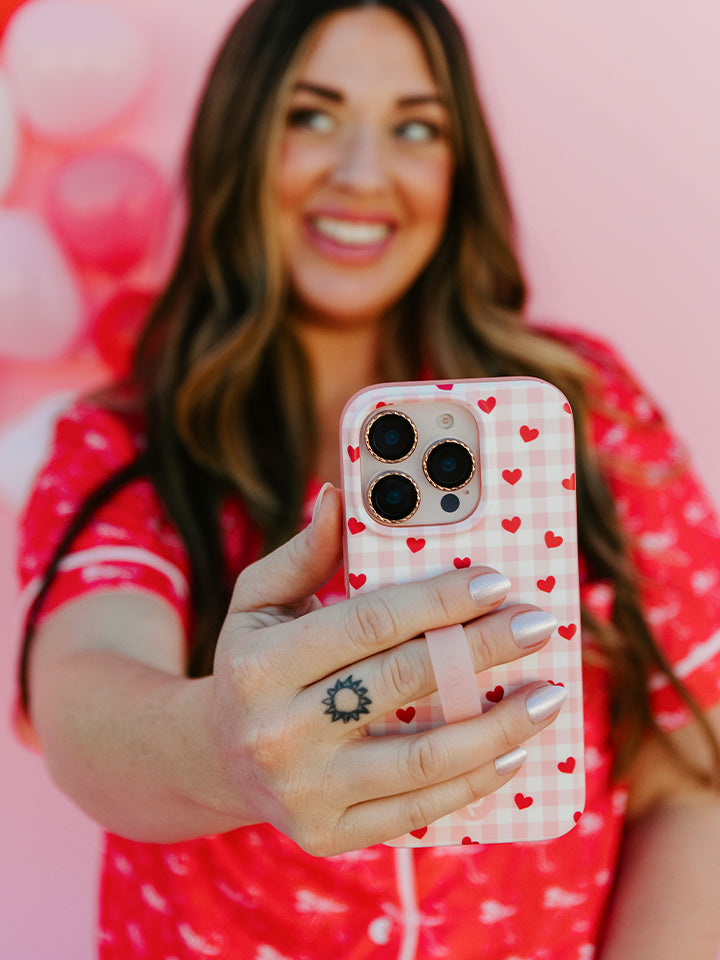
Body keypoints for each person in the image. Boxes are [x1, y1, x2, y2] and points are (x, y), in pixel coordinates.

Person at [14, 0, 720, 956]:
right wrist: (222, 748)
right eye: (311, 114)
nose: (362, 174)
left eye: (416, 127)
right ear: (239, 136)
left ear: (458, 166)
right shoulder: (126, 440)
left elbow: (691, 779)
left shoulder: (582, 412)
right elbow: (87, 701)